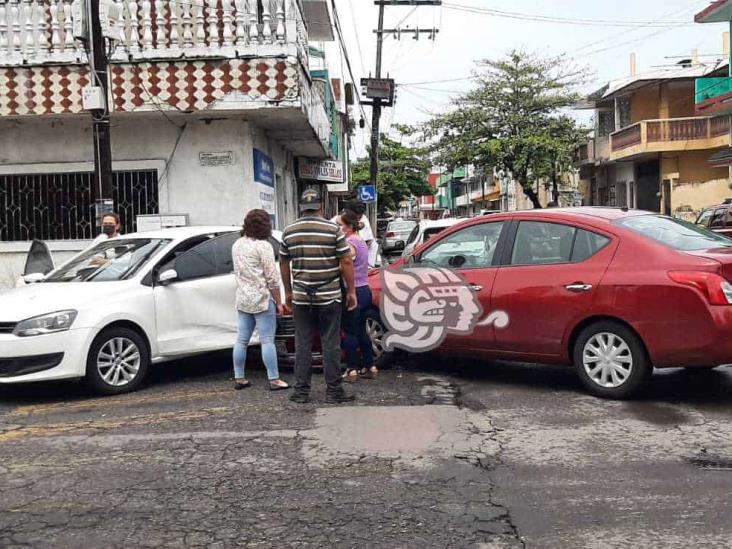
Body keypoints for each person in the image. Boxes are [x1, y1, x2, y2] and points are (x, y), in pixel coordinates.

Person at [280, 188, 357, 404]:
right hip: (330, 296)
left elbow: (284, 263)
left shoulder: (289, 231)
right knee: (330, 343)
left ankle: (301, 391)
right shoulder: (333, 230)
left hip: (302, 297)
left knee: (302, 343)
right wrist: (351, 291)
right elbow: (347, 261)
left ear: (301, 208)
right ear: (321, 206)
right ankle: (333, 392)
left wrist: (288, 291)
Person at [231, 209, 290, 391]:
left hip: (243, 298)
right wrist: (279, 302)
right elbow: (272, 279)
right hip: (262, 299)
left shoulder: (237, 244)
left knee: (242, 339)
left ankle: (239, 377)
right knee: (267, 340)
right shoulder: (264, 247)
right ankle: (274, 379)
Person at [336, 210, 377, 382]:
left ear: (350, 226)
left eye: (339, 225)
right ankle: (370, 366)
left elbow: (346, 264)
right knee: (361, 330)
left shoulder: (350, 243)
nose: (337, 228)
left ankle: (351, 369)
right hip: (365, 289)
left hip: (353, 291)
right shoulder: (360, 241)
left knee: (350, 332)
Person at [332, 200, 378, 268]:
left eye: (360, 217)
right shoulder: (335, 221)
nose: (358, 219)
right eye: (356, 217)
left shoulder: (363, 219)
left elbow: (369, 241)